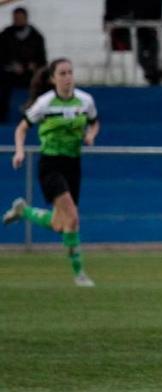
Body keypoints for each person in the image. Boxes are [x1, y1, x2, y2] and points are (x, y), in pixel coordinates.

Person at [3, 58, 99, 287]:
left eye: (70, 73)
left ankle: (23, 211)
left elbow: (95, 122)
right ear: (52, 78)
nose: (67, 77)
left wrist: (91, 135)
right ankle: (80, 274)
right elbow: (22, 129)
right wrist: (19, 152)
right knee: (73, 217)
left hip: (73, 165)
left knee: (60, 223)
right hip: (51, 165)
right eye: (62, 73)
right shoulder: (44, 104)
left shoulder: (85, 101)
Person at [0, 6, 47, 122]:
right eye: (16, 18)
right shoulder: (6, 35)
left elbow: (42, 59)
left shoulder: (36, 36)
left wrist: (34, 65)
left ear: (26, 18)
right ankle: (2, 115)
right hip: (10, 73)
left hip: (31, 73)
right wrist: (12, 65)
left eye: (20, 18)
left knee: (44, 81)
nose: (18, 21)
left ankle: (38, 113)